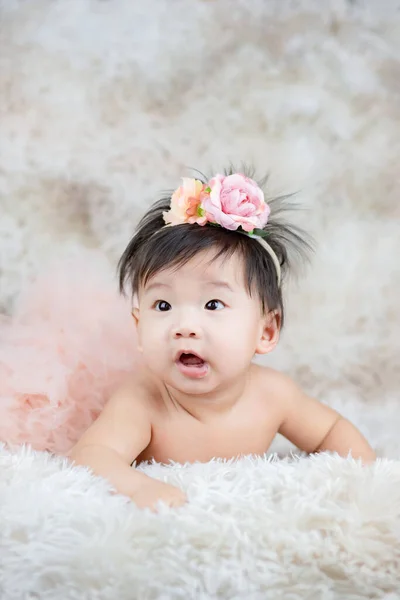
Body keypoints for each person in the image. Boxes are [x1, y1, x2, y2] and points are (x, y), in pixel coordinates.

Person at [67, 168, 376, 510]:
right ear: (139, 327)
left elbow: (331, 431)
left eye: (213, 304)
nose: (185, 326)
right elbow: (91, 455)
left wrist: (359, 478)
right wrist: (138, 488)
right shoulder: (144, 400)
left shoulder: (274, 395)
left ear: (266, 332)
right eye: (163, 304)